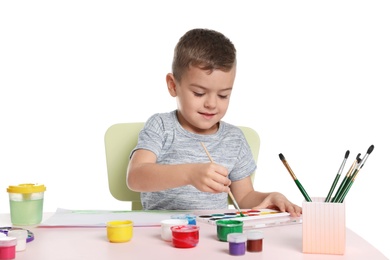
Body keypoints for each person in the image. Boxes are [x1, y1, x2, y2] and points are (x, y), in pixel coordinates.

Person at [127, 28, 302, 217]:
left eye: (223, 95)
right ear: (173, 85)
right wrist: (190, 174)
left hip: (212, 233)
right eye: (199, 93)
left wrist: (269, 199)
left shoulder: (234, 139)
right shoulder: (161, 126)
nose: (211, 104)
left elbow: (243, 198)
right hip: (161, 232)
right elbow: (136, 177)